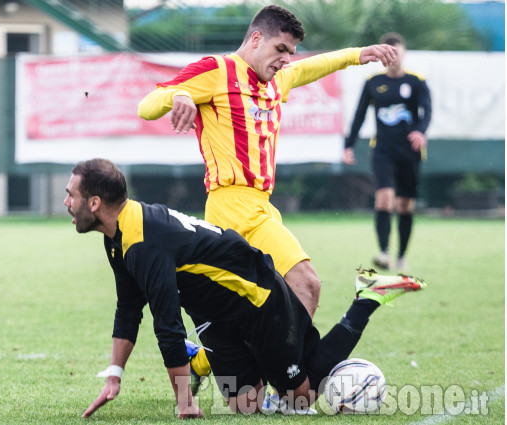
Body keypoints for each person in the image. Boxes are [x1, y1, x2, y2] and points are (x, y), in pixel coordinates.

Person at [66, 158, 426, 419]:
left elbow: (167, 325)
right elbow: (129, 309)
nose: (67, 202)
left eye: (71, 195)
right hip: (211, 313)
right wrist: (115, 376)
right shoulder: (118, 237)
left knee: (300, 399)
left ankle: (367, 298)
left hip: (257, 299)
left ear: (95, 203)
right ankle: (209, 357)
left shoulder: (143, 241)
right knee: (246, 407)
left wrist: (184, 402)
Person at [138, 4, 398, 320]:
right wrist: (177, 94)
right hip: (232, 204)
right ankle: (293, 368)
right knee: (306, 283)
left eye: (290, 51)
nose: (286, 58)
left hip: (259, 205)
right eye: (281, 48)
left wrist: (358, 54)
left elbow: (311, 67)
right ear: (256, 38)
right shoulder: (217, 70)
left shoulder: (275, 80)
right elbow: (147, 106)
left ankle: (202, 360)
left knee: (246, 307)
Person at [343, 33, 432, 272]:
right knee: (384, 198)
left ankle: (401, 255)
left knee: (404, 206)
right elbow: (359, 116)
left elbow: (428, 111)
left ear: (404, 53)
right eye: (388, 52)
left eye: (397, 51)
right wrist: (348, 145)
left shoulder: (417, 81)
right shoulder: (372, 82)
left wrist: (420, 131)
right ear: (382, 56)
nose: (393, 56)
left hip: (410, 152)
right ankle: (384, 253)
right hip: (382, 150)